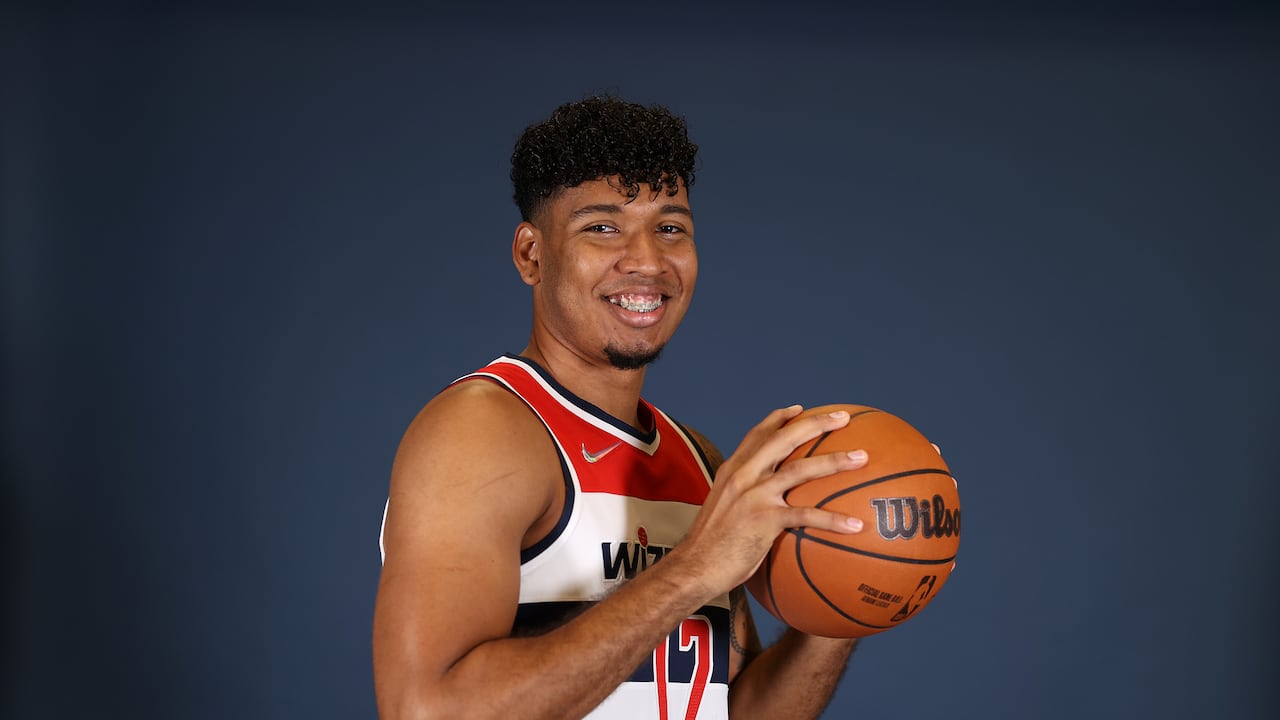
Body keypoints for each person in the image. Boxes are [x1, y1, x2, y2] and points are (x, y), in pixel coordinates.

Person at [372, 95, 870, 720]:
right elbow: (427, 708)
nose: (647, 261)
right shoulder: (481, 433)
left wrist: (849, 597)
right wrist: (692, 570)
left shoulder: (697, 461)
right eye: (602, 227)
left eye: (670, 227)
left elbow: (730, 710)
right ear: (531, 254)